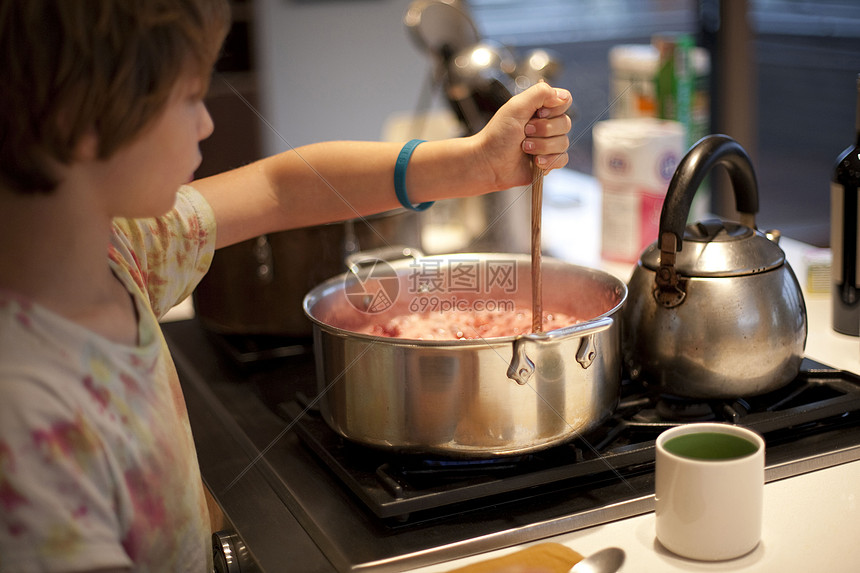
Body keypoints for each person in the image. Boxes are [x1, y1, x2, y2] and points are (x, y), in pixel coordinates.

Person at [0, 0, 572, 571]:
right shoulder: (25, 432)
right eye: (189, 96)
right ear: (82, 122)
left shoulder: (120, 251)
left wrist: (478, 164)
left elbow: (283, 188)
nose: (207, 123)